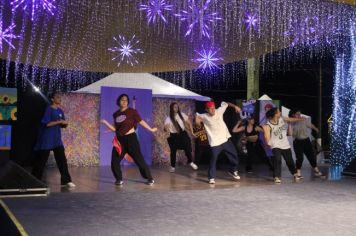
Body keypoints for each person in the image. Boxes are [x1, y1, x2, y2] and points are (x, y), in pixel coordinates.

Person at [101, 94, 157, 186]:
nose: (124, 101)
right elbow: (116, 127)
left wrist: (150, 129)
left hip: (131, 139)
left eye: (126, 100)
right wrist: (107, 126)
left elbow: (140, 121)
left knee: (139, 159)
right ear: (119, 101)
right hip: (120, 140)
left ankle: (149, 178)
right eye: (122, 100)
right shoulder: (116, 114)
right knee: (114, 160)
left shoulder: (132, 111)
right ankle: (119, 179)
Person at [32, 92, 76, 188]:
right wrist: (60, 121)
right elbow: (46, 124)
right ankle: (34, 180)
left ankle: (66, 181)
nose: (59, 99)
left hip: (56, 139)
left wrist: (64, 124)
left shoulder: (60, 111)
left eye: (60, 97)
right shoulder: (49, 109)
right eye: (57, 97)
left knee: (62, 160)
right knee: (41, 161)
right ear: (52, 99)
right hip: (47, 139)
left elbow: (61, 124)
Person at [195, 101, 241, 184]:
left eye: (213, 108)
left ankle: (233, 170)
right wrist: (197, 121)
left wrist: (235, 107)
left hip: (225, 139)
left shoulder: (219, 111)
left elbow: (226, 103)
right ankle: (211, 177)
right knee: (213, 159)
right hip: (215, 142)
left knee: (234, 156)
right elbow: (197, 116)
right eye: (210, 109)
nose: (213, 110)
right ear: (206, 110)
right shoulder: (204, 116)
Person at [263, 107, 305, 184]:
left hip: (285, 144)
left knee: (289, 160)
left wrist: (300, 119)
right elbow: (267, 137)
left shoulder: (281, 119)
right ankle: (277, 177)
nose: (280, 113)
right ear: (275, 114)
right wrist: (270, 144)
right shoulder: (268, 125)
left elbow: (290, 119)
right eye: (279, 112)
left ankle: (295, 173)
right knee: (277, 160)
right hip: (275, 145)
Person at [288, 108, 324, 178]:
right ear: (293, 115)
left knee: (311, 156)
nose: (299, 115)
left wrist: (316, 129)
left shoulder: (304, 119)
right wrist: (290, 124)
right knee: (300, 158)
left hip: (306, 140)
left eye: (299, 114)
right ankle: (298, 173)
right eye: (297, 114)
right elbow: (290, 133)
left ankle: (316, 171)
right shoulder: (292, 122)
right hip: (297, 142)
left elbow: (310, 125)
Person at [164, 103, 198, 172]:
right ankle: (172, 166)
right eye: (174, 107)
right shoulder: (168, 118)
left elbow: (189, 123)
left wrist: (192, 132)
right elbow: (165, 128)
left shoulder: (182, 114)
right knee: (173, 151)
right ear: (171, 108)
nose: (176, 108)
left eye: (177, 107)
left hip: (183, 134)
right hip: (174, 136)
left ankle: (190, 162)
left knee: (187, 147)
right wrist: (166, 128)